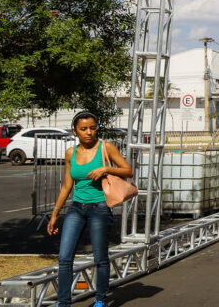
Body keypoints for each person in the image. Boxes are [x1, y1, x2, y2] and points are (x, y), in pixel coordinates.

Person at [47, 111, 133, 307]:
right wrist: (54, 214)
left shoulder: (106, 147)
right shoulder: (71, 153)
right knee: (64, 257)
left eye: (92, 128)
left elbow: (128, 170)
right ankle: (63, 302)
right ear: (75, 131)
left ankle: (101, 300)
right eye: (83, 129)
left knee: (100, 257)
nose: (89, 132)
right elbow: (67, 186)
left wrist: (106, 169)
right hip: (76, 208)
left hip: (100, 208)